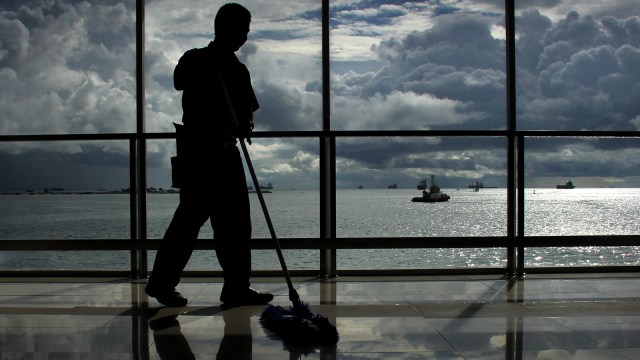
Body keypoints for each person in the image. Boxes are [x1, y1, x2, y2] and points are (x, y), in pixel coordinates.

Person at [146, 3, 273, 307]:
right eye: (241, 28)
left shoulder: (239, 70)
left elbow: (246, 117)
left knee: (236, 224)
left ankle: (236, 286)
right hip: (199, 153)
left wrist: (245, 125)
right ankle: (162, 283)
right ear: (224, 28)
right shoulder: (195, 59)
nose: (244, 35)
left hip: (227, 151)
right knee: (190, 220)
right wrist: (208, 65)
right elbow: (179, 81)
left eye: (247, 29)